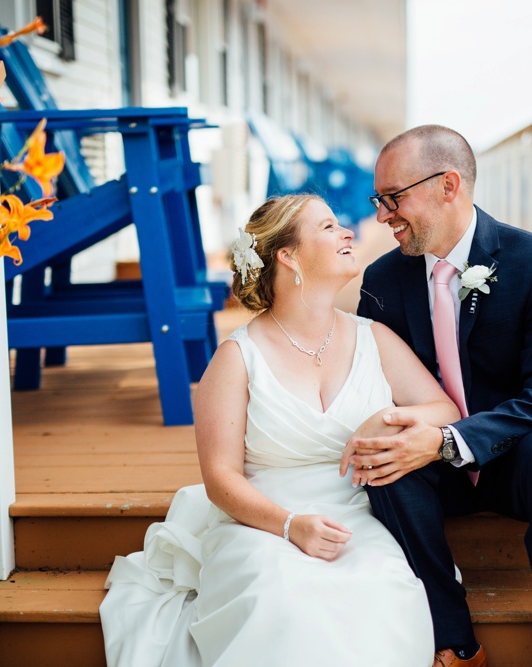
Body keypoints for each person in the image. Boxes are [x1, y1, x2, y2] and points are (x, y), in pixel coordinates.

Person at [100, 194, 459, 666]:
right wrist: (291, 527)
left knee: (382, 594)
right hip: (263, 524)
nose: (348, 233)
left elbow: (446, 410)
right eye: (329, 227)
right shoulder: (237, 357)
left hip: (360, 519)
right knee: (283, 602)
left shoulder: (374, 337)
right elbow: (220, 478)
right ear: (288, 256)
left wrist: (389, 420)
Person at [343, 125, 532, 667]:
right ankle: (456, 643)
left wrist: (448, 439)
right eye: (378, 201)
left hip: (517, 453)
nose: (382, 215)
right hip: (432, 469)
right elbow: (367, 381)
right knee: (383, 465)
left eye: (393, 198)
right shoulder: (382, 278)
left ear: (448, 185)